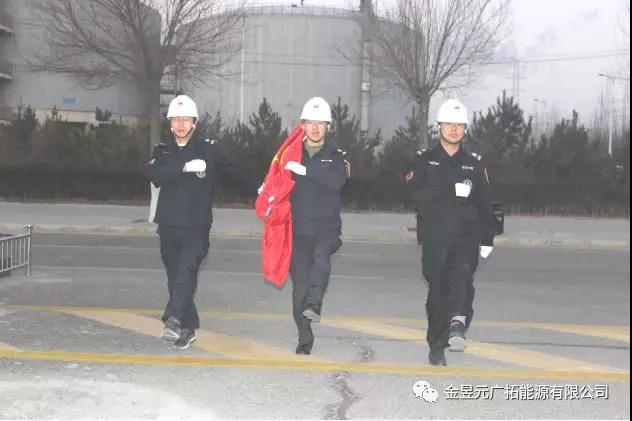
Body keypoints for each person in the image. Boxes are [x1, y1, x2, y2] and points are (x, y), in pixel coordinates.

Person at [147, 94, 257, 349]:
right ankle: (188, 328)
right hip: (169, 225)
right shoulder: (162, 151)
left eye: (186, 119)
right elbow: (155, 175)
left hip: (197, 226)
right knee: (175, 278)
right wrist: (184, 167)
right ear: (170, 123)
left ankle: (174, 319)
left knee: (186, 271)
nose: (181, 124)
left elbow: (233, 171)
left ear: (195, 122)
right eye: (176, 119)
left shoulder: (207, 150)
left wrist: (261, 188)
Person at [405, 98, 497, 366]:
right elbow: (414, 194)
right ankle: (436, 343)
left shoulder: (474, 163)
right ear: (439, 127)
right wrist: (448, 189)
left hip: (466, 238)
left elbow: (485, 202)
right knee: (437, 292)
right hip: (435, 238)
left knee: (462, 278)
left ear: (465, 129)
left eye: (459, 125)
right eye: (449, 124)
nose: (454, 130)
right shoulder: (423, 161)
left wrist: (488, 237)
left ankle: (458, 323)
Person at [284, 97, 350, 355]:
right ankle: (305, 336)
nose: (314, 127)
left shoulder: (337, 157)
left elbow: (336, 182)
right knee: (298, 290)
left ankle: (315, 303)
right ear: (302, 125)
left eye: (320, 123)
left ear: (328, 127)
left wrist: (305, 171)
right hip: (297, 230)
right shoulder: (290, 153)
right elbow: (276, 180)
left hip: (326, 228)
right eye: (310, 122)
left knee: (322, 259)